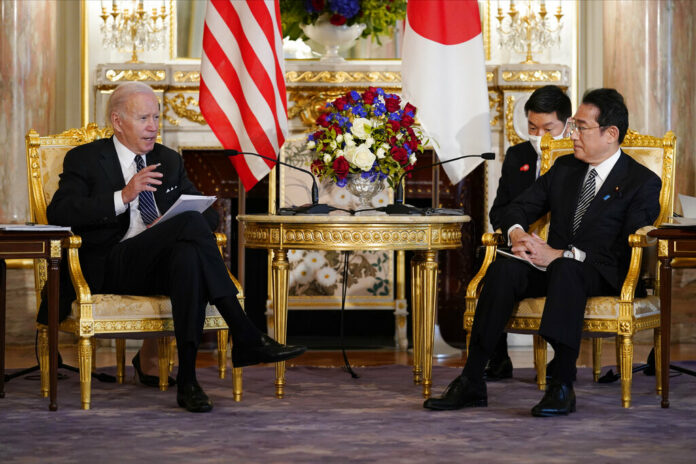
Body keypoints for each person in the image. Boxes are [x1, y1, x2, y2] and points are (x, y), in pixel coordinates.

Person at [45, 82, 306, 413]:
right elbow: (60, 213)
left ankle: (189, 380)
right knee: (186, 230)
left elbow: (208, 218)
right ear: (117, 120)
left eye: (156, 116)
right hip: (110, 265)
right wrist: (123, 197)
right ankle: (244, 332)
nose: (153, 126)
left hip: (157, 266)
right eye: (143, 118)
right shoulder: (86, 158)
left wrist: (168, 227)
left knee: (187, 256)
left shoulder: (167, 159)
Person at [424, 88, 661, 417]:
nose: (573, 134)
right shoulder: (565, 168)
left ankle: (561, 385)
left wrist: (563, 255)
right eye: (573, 126)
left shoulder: (641, 181)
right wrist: (519, 235)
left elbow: (625, 246)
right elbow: (517, 208)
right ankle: (472, 379)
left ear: (610, 134)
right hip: (553, 267)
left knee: (566, 269)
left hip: (603, 273)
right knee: (504, 269)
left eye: (581, 127)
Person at [486, 85, 571, 381]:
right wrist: (518, 234)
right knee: (491, 268)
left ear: (567, 124)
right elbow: (498, 210)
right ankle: (496, 359)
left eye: (549, 128)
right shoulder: (517, 155)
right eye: (533, 128)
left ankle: (562, 363)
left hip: (563, 249)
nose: (540, 136)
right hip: (520, 245)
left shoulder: (579, 157)